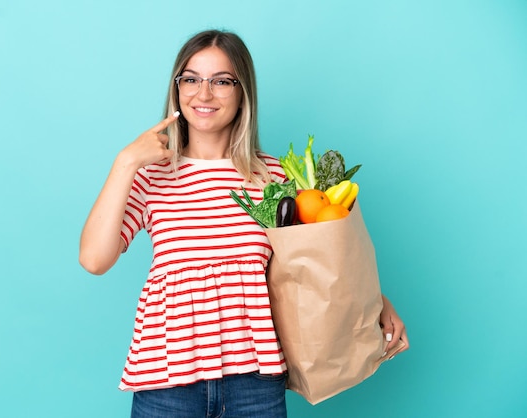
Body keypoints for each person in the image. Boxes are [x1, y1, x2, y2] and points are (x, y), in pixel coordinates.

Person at [79, 29, 409, 418]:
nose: (203, 94)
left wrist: (378, 303)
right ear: (177, 88)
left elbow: (317, 263)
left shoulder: (273, 177)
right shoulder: (152, 176)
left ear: (242, 92)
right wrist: (125, 162)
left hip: (255, 380)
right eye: (191, 79)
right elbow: (94, 260)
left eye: (221, 81)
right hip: (166, 381)